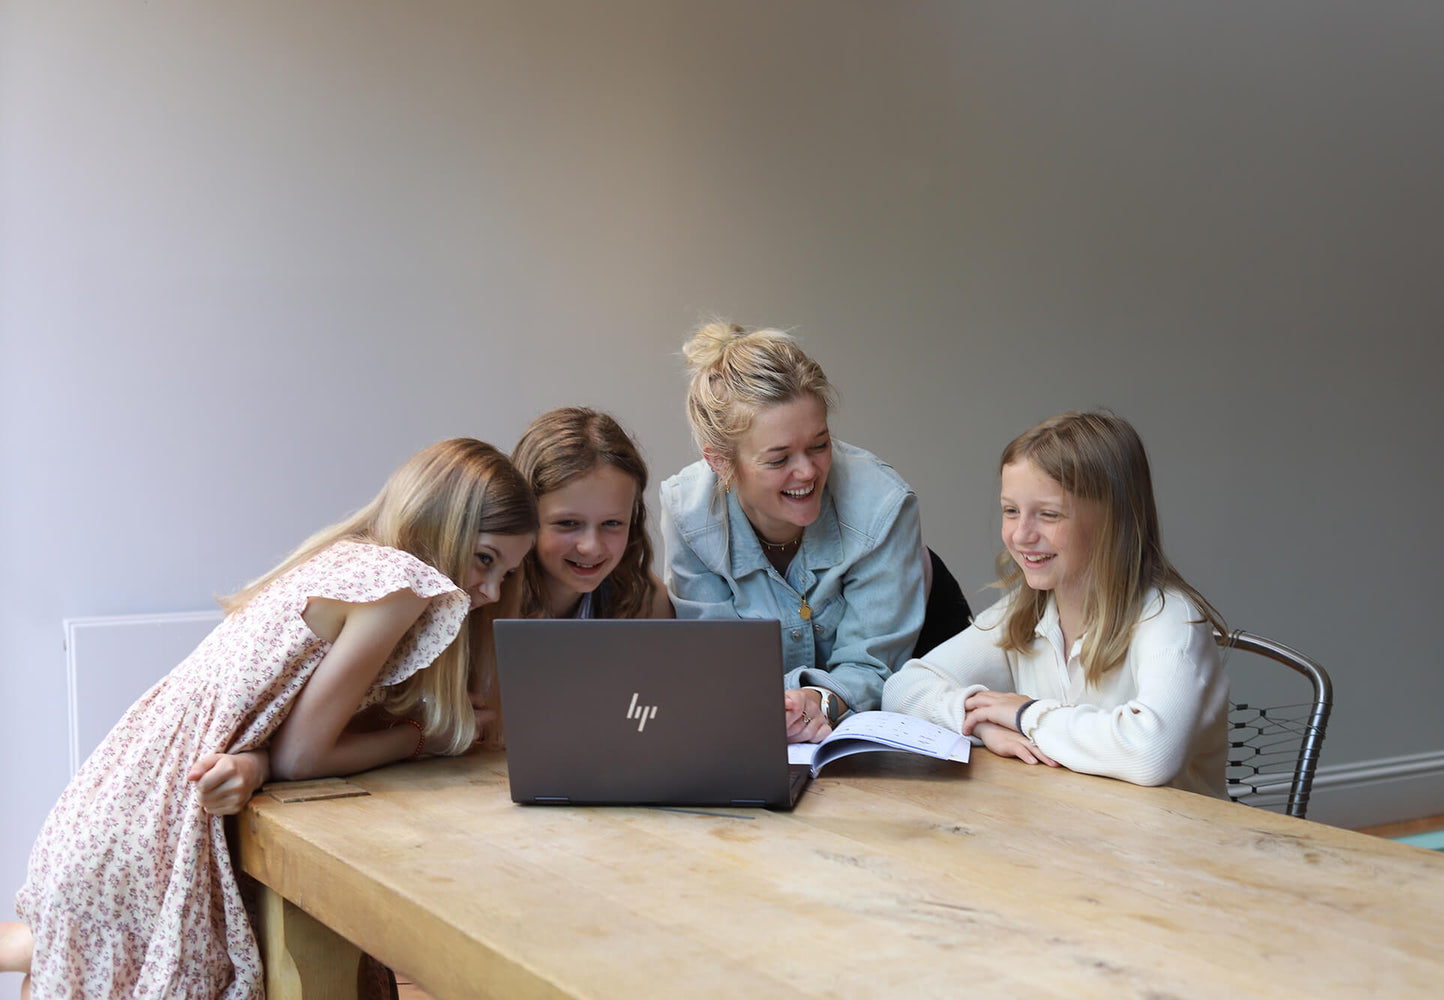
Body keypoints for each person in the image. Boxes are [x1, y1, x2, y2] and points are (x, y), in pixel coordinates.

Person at [1, 438, 538, 1000]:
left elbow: (290, 733)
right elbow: (301, 757)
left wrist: (266, 759)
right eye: (484, 559)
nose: (492, 590)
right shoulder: (398, 586)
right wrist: (419, 738)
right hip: (151, 833)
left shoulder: (350, 558)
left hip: (117, 807)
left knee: (64, 957)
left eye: (507, 571)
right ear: (442, 526)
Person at [882, 411, 1231, 797]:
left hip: (1179, 848)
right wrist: (981, 723)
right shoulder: (1024, 613)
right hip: (1066, 837)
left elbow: (1151, 752)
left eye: (1048, 515)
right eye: (1011, 510)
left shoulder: (1170, 620)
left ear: (1113, 521)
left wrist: (1024, 714)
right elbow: (903, 689)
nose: (1020, 534)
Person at [660, 321, 926, 744]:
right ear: (719, 462)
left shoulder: (883, 504)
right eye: (779, 458)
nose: (807, 472)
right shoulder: (687, 513)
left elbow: (873, 665)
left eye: (819, 445)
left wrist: (820, 699)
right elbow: (718, 663)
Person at [498, 406, 673, 620]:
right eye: (568, 523)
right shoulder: (484, 595)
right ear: (525, 515)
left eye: (612, 523)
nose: (591, 547)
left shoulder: (645, 600)